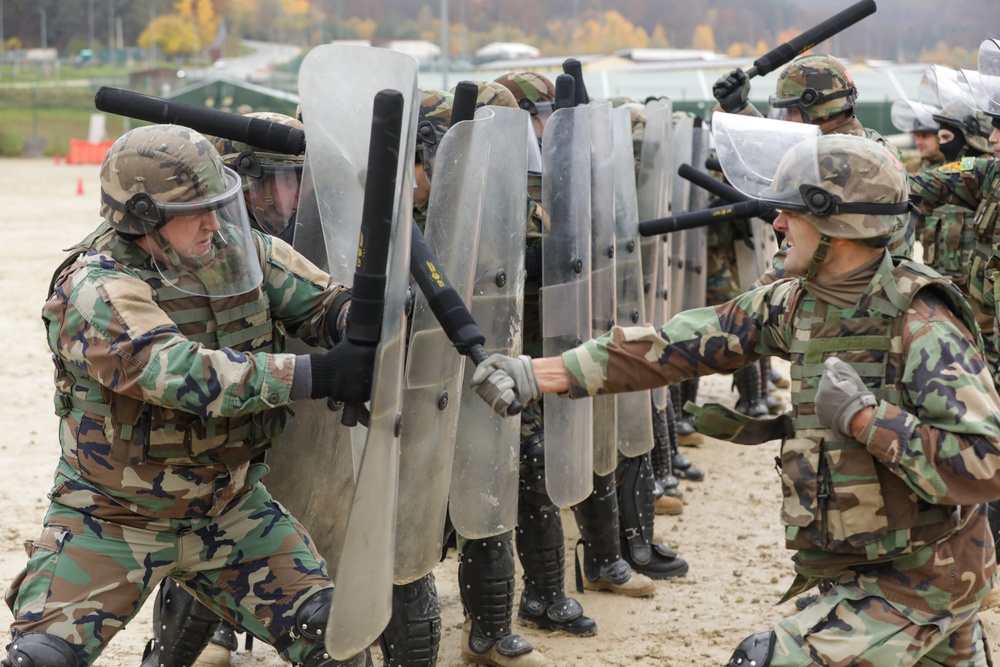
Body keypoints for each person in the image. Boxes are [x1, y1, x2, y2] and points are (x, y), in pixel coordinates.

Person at [471, 121, 1000, 666]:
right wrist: (542, 373)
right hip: (878, 572)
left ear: (837, 225)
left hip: (920, 584)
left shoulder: (922, 327)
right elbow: (680, 343)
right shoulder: (797, 302)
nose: (777, 222)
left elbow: (989, 463)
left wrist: (867, 420)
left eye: (791, 211)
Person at [3, 123, 374, 667]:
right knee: (42, 659)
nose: (213, 222)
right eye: (195, 210)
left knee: (334, 637)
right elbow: (177, 372)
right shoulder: (93, 289)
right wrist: (315, 375)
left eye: (218, 204)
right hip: (114, 517)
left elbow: (320, 303)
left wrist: (358, 317)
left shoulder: (237, 250)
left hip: (230, 507)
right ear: (144, 220)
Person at [136, 111, 310, 667]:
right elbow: (179, 372)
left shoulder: (267, 244)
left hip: (261, 436)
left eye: (296, 181)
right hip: (173, 465)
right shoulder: (130, 270)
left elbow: (326, 300)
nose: (289, 198)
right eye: (275, 183)